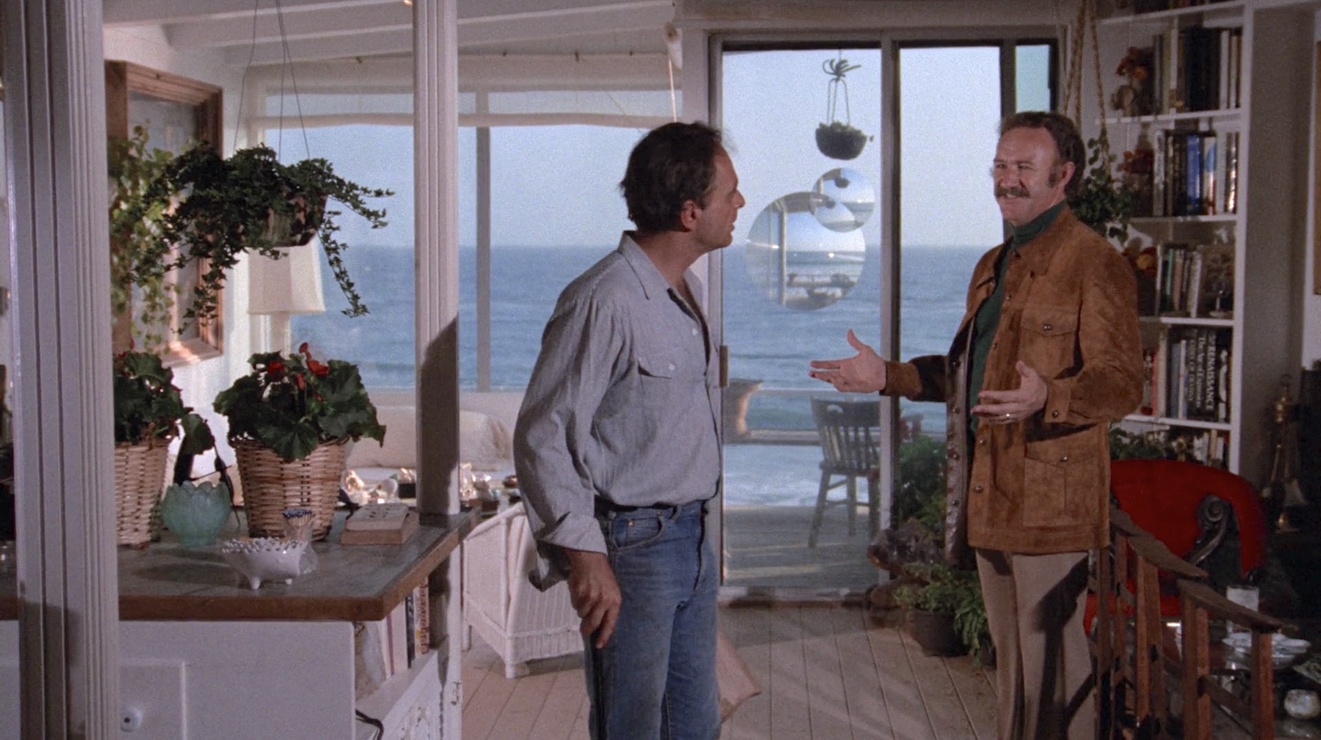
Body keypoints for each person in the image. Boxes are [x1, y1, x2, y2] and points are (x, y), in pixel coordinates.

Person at [809, 111, 1142, 739]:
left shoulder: (1094, 263)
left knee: (1055, 675)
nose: (1007, 180)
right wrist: (887, 375)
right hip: (992, 496)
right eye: (1000, 166)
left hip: (1052, 507)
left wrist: (1050, 397)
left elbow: (1123, 382)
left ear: (1063, 175)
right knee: (1014, 668)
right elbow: (967, 376)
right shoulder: (995, 262)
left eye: (1024, 168)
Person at [513, 121, 744, 740]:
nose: (740, 203)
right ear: (690, 212)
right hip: (634, 549)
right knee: (632, 728)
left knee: (695, 726)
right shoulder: (604, 300)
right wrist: (586, 558)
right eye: (730, 194)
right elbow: (543, 436)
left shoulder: (687, 292)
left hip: (692, 538)